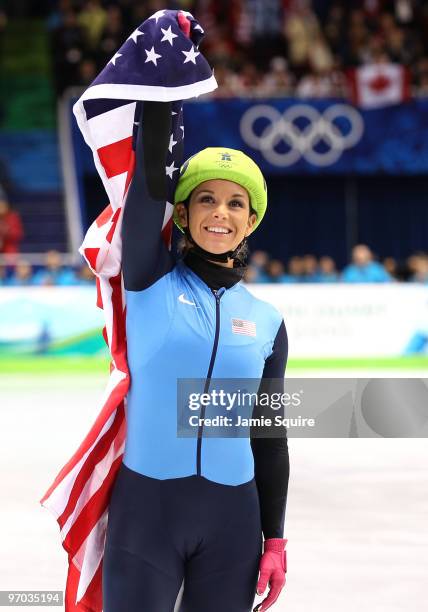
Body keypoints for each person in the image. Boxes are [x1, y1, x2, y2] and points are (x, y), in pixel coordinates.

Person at [102, 101, 290, 612]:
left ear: (251, 221)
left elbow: (269, 439)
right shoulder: (149, 278)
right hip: (147, 514)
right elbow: (146, 191)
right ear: (183, 213)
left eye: (235, 204)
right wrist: (162, 92)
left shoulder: (268, 321)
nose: (220, 213)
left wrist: (274, 538)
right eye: (206, 199)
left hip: (234, 521)